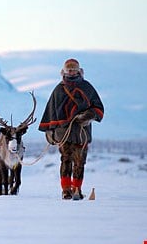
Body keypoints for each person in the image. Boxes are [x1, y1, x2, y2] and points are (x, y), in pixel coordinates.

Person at [38, 59, 104, 200]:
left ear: (79, 70)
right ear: (64, 71)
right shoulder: (59, 89)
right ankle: (66, 190)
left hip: (81, 131)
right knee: (66, 159)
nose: (72, 71)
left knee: (80, 161)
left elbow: (98, 107)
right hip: (64, 132)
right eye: (69, 69)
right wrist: (50, 130)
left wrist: (87, 116)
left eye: (74, 69)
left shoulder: (87, 87)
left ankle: (77, 189)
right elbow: (51, 110)